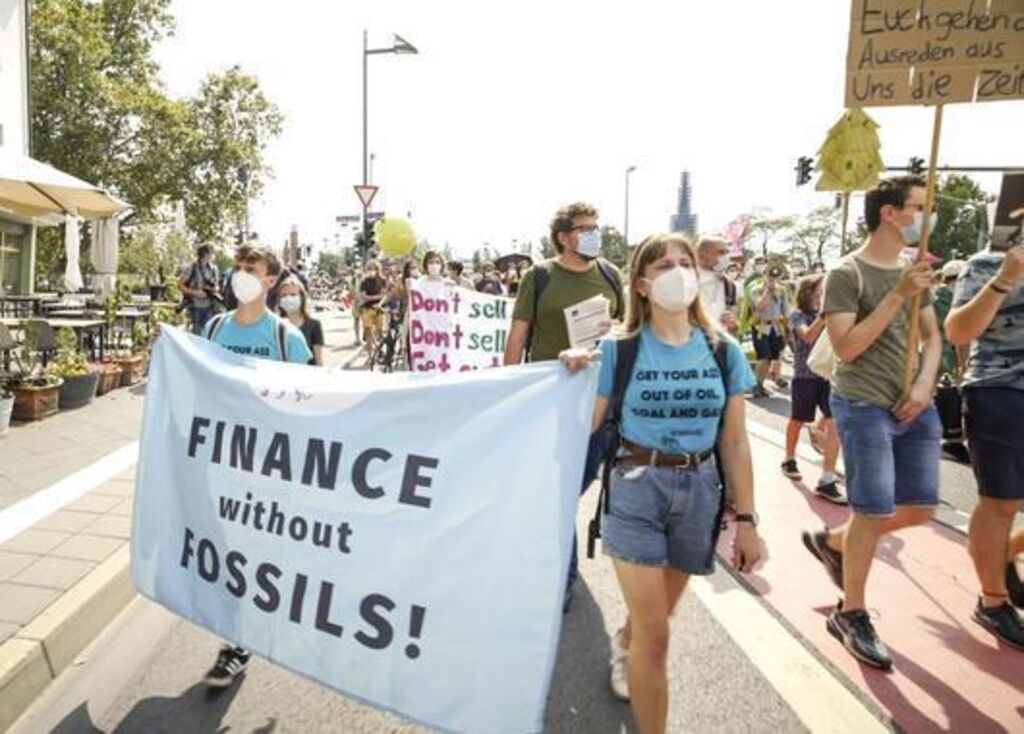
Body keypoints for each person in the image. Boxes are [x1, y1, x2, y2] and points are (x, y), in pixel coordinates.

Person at [559, 232, 762, 729]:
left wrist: (749, 517)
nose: (677, 272)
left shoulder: (723, 351)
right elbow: (585, 424)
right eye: (663, 265)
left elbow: (735, 441)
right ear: (643, 285)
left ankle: (625, 642)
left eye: (684, 263)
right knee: (659, 637)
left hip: (699, 493)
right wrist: (571, 377)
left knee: (654, 623)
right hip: (635, 489)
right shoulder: (618, 350)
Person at [802, 175, 941, 671]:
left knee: (921, 509)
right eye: (921, 206)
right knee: (874, 510)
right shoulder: (847, 273)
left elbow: (934, 338)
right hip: (862, 405)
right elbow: (847, 347)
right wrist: (898, 295)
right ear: (889, 212)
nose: (929, 215)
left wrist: (925, 384)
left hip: (915, 406)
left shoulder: (915, 271)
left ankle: (835, 541)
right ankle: (851, 612)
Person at [193, 245, 313, 687]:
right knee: (226, 550)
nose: (240, 274)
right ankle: (242, 633)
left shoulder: (287, 338)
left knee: (252, 554)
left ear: (270, 282)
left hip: (268, 469)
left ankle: (239, 643)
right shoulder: (215, 327)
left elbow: (310, 405)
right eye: (238, 267)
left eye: (251, 269)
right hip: (223, 461)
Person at [504, 201, 625, 611]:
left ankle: (545, 549)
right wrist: (510, 393)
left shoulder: (611, 275)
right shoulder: (538, 277)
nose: (594, 233)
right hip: (552, 401)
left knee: (572, 485)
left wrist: (616, 330)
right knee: (560, 490)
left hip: (601, 400)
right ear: (563, 236)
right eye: (585, 227)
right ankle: (563, 575)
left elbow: (631, 330)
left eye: (596, 226)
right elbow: (517, 338)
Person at [945, 240, 1024, 650]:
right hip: (1001, 393)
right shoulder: (987, 263)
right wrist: (1007, 277)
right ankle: (993, 602)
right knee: (1001, 503)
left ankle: (1003, 553)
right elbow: (958, 330)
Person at [783, 275, 845, 504]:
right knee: (798, 419)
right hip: (804, 377)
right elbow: (807, 336)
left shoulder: (834, 314)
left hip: (829, 376)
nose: (822, 296)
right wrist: (825, 316)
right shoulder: (797, 315)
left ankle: (827, 477)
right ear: (808, 293)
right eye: (819, 292)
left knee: (834, 423)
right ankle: (789, 458)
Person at [749, 262, 789, 398]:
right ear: (764, 276)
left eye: (774, 277)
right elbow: (759, 306)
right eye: (769, 276)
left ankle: (760, 384)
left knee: (771, 358)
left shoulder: (782, 291)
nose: (772, 279)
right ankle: (755, 385)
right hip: (760, 327)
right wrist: (768, 291)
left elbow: (786, 310)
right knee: (763, 356)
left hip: (775, 328)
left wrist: (789, 326)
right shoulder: (755, 290)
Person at [277, 275, 324, 366]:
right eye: (284, 295)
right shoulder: (275, 325)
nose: (288, 298)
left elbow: (319, 361)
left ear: (302, 297)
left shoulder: (314, 325)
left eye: (293, 294)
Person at [696, 237, 738, 332]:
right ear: (702, 254)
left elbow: (733, 313)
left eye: (728, 252)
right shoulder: (686, 281)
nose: (726, 257)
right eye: (721, 252)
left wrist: (732, 321)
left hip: (719, 340)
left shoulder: (729, 285)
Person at [178, 244, 221, 335]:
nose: (214, 255)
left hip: (210, 307)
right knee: (196, 335)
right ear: (205, 254)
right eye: (212, 252)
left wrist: (214, 290)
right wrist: (195, 293)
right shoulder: (191, 268)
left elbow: (217, 286)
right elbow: (180, 285)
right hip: (195, 307)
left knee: (209, 335)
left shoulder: (214, 269)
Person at [359, 261, 386, 356]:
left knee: (380, 331)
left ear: (377, 269)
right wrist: (376, 297)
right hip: (366, 309)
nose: (371, 271)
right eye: (369, 269)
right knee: (368, 330)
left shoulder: (382, 280)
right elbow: (363, 296)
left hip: (379, 309)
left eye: (373, 268)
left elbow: (384, 295)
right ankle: (370, 353)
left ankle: (380, 350)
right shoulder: (364, 281)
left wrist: (370, 298)